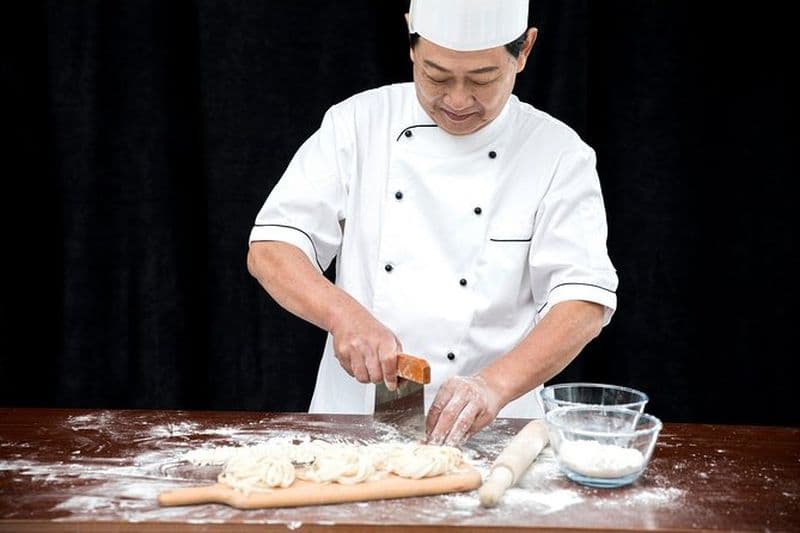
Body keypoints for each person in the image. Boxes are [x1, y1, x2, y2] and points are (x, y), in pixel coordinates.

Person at [247, 0, 618, 446]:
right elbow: (271, 248)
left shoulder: (558, 153)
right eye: (436, 76)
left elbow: (583, 304)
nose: (458, 100)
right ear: (410, 41)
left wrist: (493, 386)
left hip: (499, 430)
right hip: (352, 425)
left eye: (483, 79)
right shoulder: (358, 124)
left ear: (523, 52)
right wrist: (341, 314)